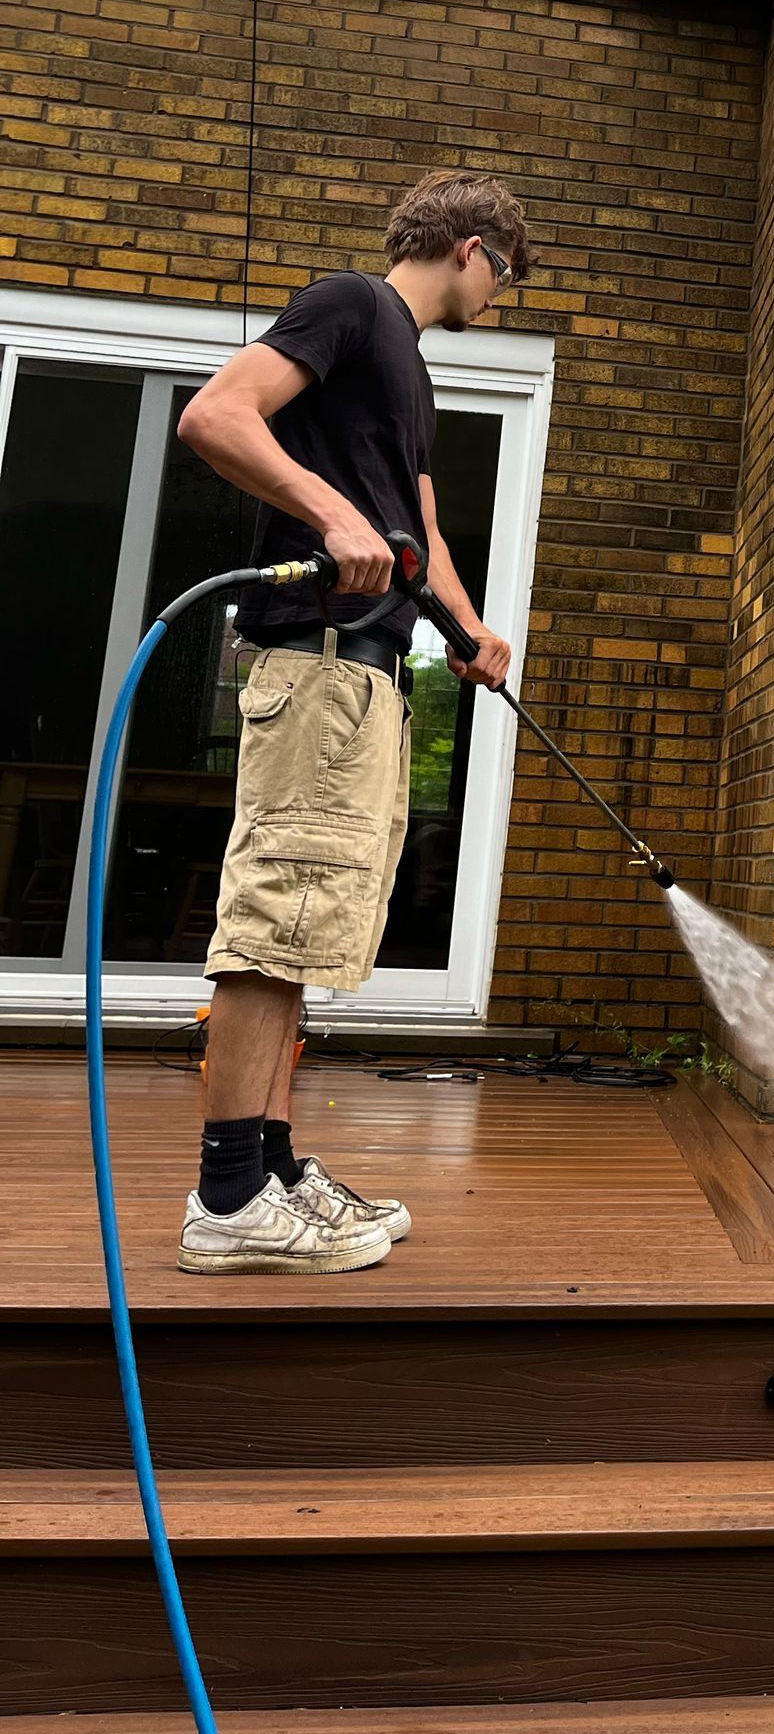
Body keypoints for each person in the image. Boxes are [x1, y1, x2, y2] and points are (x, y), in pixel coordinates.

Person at [171, 171, 528, 1273]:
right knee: (276, 919)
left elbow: (416, 522)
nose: (500, 298)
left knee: (313, 922)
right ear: (470, 248)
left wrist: (471, 631)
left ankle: (273, 1164)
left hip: (369, 671)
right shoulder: (351, 304)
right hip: (314, 661)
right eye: (505, 276)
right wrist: (325, 511)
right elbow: (215, 414)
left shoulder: (407, 367)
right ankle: (227, 1195)